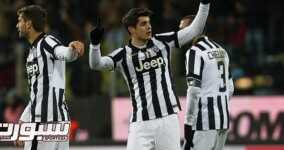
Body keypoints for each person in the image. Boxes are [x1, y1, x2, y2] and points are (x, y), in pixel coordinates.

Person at [89, 0, 211, 149]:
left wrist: (204, 4)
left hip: (168, 119)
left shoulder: (162, 42)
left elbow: (195, 30)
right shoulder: (122, 55)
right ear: (131, 29)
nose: (149, 26)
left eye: (149, 22)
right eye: (143, 24)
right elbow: (96, 64)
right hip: (141, 123)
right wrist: (94, 46)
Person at [15, 5, 84, 150]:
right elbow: (36, 94)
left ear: (28, 24)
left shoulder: (46, 42)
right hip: (59, 121)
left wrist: (72, 48)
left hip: (44, 122)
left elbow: (62, 52)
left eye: (20, 20)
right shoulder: (31, 54)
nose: (17, 25)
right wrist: (22, 121)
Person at [179, 15, 234, 150]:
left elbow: (193, 90)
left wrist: (188, 122)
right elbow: (231, 87)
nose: (180, 34)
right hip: (223, 119)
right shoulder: (221, 50)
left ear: (195, 29)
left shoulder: (194, 52)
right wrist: (218, 105)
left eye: (183, 29)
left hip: (204, 122)